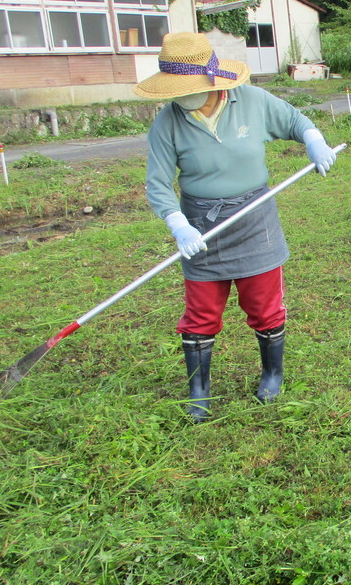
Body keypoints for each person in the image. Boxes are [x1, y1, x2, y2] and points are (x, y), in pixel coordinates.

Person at [134, 32, 337, 422]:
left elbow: (294, 120)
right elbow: (158, 182)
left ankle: (272, 374)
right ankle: (199, 391)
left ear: (212, 80)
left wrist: (314, 140)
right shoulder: (168, 122)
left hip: (253, 217)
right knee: (201, 313)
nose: (182, 95)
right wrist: (178, 224)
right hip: (200, 225)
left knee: (264, 306)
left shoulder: (252, 101)